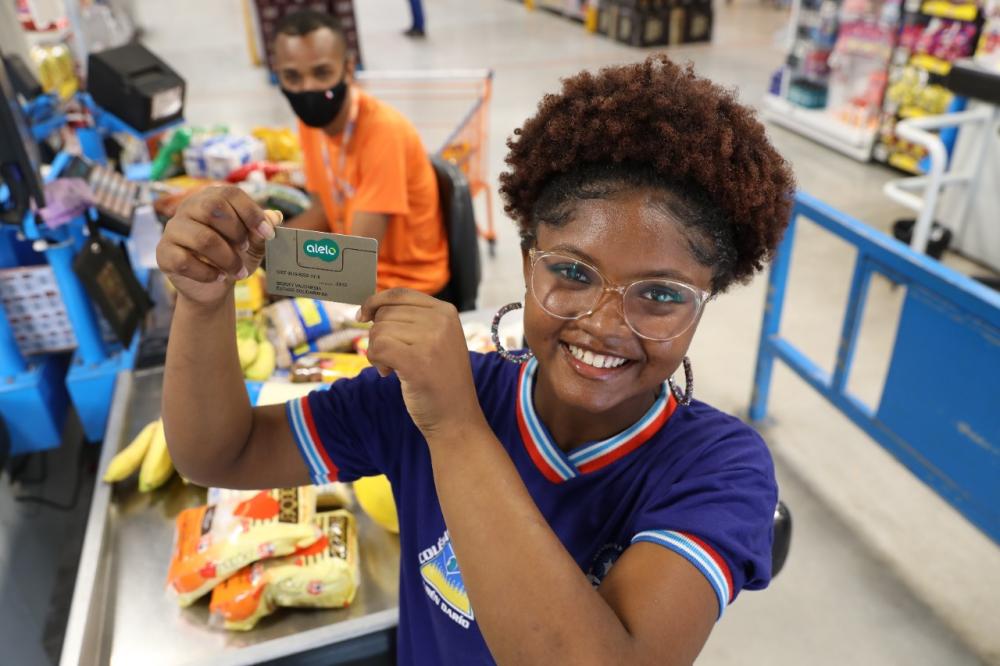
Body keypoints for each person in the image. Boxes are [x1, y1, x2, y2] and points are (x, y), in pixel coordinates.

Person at [156, 55, 795, 664]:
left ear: (704, 303)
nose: (603, 324)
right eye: (572, 272)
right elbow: (220, 453)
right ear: (525, 264)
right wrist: (205, 302)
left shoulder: (717, 468)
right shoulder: (424, 395)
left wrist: (456, 429)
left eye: (660, 295)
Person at [274, 9, 448, 296]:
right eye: (292, 76)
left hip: (405, 290)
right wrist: (262, 244)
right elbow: (322, 212)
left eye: (322, 72)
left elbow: (355, 260)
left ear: (348, 68)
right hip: (356, 276)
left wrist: (279, 273)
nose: (307, 88)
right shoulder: (312, 127)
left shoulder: (383, 133)